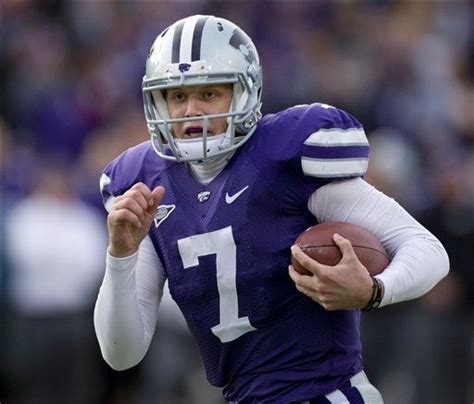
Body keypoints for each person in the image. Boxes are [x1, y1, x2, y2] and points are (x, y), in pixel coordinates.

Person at [94, 15, 449, 403]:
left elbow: (425, 248)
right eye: (178, 96)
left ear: (244, 94)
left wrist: (373, 291)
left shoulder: (283, 158)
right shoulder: (147, 186)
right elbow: (121, 353)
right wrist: (120, 255)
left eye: (209, 94)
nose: (190, 110)